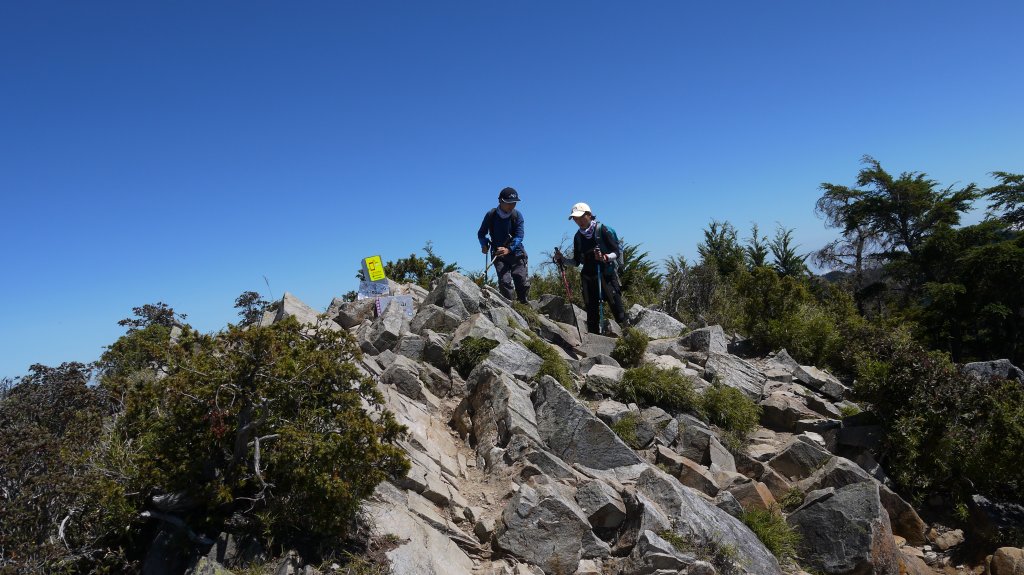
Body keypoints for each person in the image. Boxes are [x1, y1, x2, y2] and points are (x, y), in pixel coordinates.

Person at [553, 202, 625, 334]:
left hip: (606, 274)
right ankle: (594, 340)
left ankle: (628, 336)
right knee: (591, 313)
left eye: (581, 217)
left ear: (589, 215)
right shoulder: (578, 237)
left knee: (617, 308)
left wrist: (604, 257)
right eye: (575, 219)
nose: (578, 221)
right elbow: (576, 262)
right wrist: (562, 259)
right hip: (588, 277)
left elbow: (616, 252)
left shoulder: (602, 230)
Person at [478, 187, 530, 303]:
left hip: (517, 253)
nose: (512, 205)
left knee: (521, 281)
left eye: (514, 203)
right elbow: (481, 233)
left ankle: (524, 305)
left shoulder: (517, 215)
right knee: (504, 282)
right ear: (501, 201)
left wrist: (508, 249)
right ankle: (509, 307)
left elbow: (519, 235)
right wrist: (484, 244)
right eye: (509, 203)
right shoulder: (491, 215)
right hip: (498, 255)